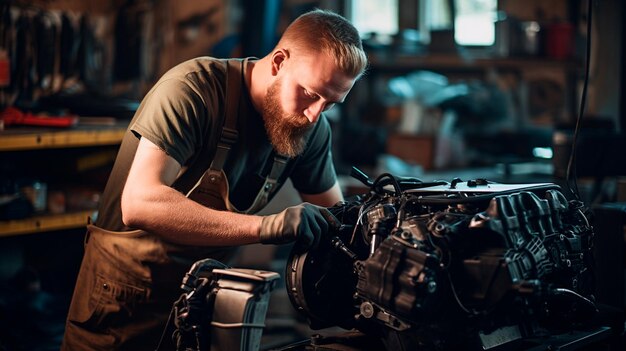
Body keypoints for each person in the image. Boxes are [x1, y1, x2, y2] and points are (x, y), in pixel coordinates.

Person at [61, 8, 368, 350]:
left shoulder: (310, 130)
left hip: (203, 301)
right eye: (311, 94)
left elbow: (336, 219)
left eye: (330, 103)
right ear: (279, 61)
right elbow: (140, 202)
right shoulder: (193, 90)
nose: (314, 115)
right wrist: (265, 227)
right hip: (124, 298)